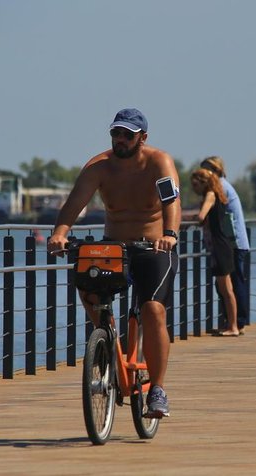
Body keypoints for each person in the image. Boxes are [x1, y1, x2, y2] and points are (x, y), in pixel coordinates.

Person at [47, 108, 181, 417]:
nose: (120, 140)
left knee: (152, 309)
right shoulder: (99, 167)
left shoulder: (159, 162)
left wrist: (170, 235)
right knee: (85, 277)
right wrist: (60, 232)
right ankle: (105, 338)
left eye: (127, 135)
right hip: (115, 246)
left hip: (154, 248)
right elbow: (74, 203)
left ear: (142, 138)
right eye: (115, 133)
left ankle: (158, 389)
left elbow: (171, 202)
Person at [200, 156, 250, 334]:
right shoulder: (221, 186)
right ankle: (233, 322)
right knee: (227, 285)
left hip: (232, 242)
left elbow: (206, 213)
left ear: (216, 170)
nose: (204, 174)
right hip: (229, 242)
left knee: (233, 284)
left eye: (207, 170)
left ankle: (237, 323)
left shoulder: (218, 187)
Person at [190, 167, 240, 336]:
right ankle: (230, 325)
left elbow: (201, 217)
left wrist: (191, 218)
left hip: (219, 247)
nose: (193, 188)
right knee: (225, 289)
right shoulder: (213, 194)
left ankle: (233, 326)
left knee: (226, 290)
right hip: (220, 245)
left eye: (195, 184)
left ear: (203, 183)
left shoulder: (210, 195)